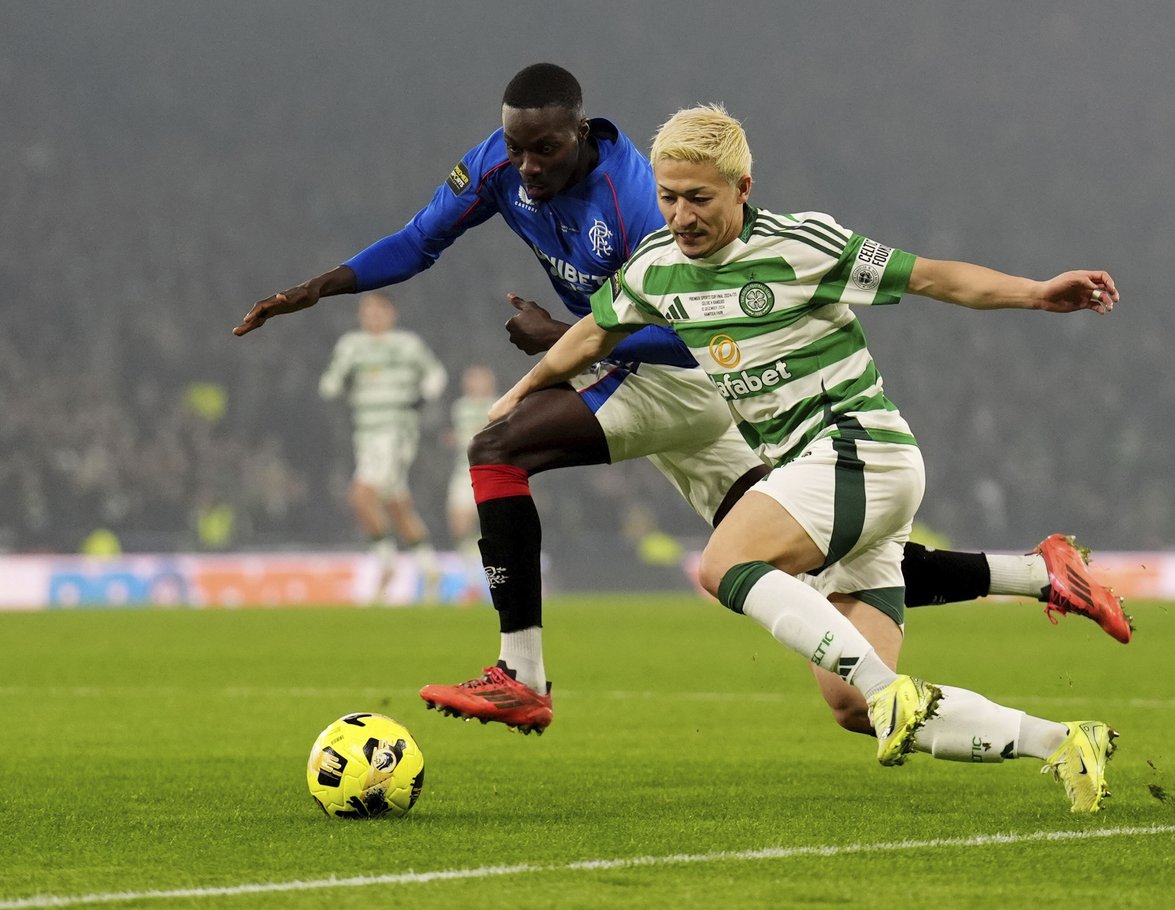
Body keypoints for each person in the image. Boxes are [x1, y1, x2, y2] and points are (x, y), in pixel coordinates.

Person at [234, 63, 1129, 737]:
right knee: (811, 573)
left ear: (582, 134)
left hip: (690, 380)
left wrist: (563, 342)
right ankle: (1035, 572)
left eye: (541, 150)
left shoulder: (643, 207)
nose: (523, 166)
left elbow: (687, 320)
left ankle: (523, 675)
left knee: (498, 451)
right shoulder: (509, 167)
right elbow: (420, 239)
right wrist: (321, 287)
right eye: (512, 147)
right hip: (667, 381)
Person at [486, 103, 1122, 812]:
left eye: (699, 198)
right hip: (814, 475)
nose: (682, 216)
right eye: (668, 198)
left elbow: (932, 277)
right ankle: (1065, 741)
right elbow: (592, 335)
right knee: (851, 704)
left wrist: (1036, 293)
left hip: (858, 449)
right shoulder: (656, 268)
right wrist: (524, 388)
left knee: (724, 564)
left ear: (742, 188)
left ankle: (899, 686)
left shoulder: (803, 243)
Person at [318, 292, 447, 602]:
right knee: (396, 504)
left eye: (378, 310)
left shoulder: (407, 344)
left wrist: (420, 400)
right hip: (365, 434)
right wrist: (344, 373)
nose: (372, 316)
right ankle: (429, 568)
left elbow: (436, 375)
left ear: (392, 313)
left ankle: (386, 563)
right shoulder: (351, 346)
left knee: (360, 494)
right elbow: (329, 387)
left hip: (395, 432)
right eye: (367, 311)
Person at [446, 364, 497, 567]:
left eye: (479, 379)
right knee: (457, 523)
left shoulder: (497, 405)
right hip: (464, 471)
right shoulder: (460, 407)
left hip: (492, 471)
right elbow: (464, 437)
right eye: (471, 379)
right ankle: (470, 559)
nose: (475, 384)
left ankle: (490, 560)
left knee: (492, 521)